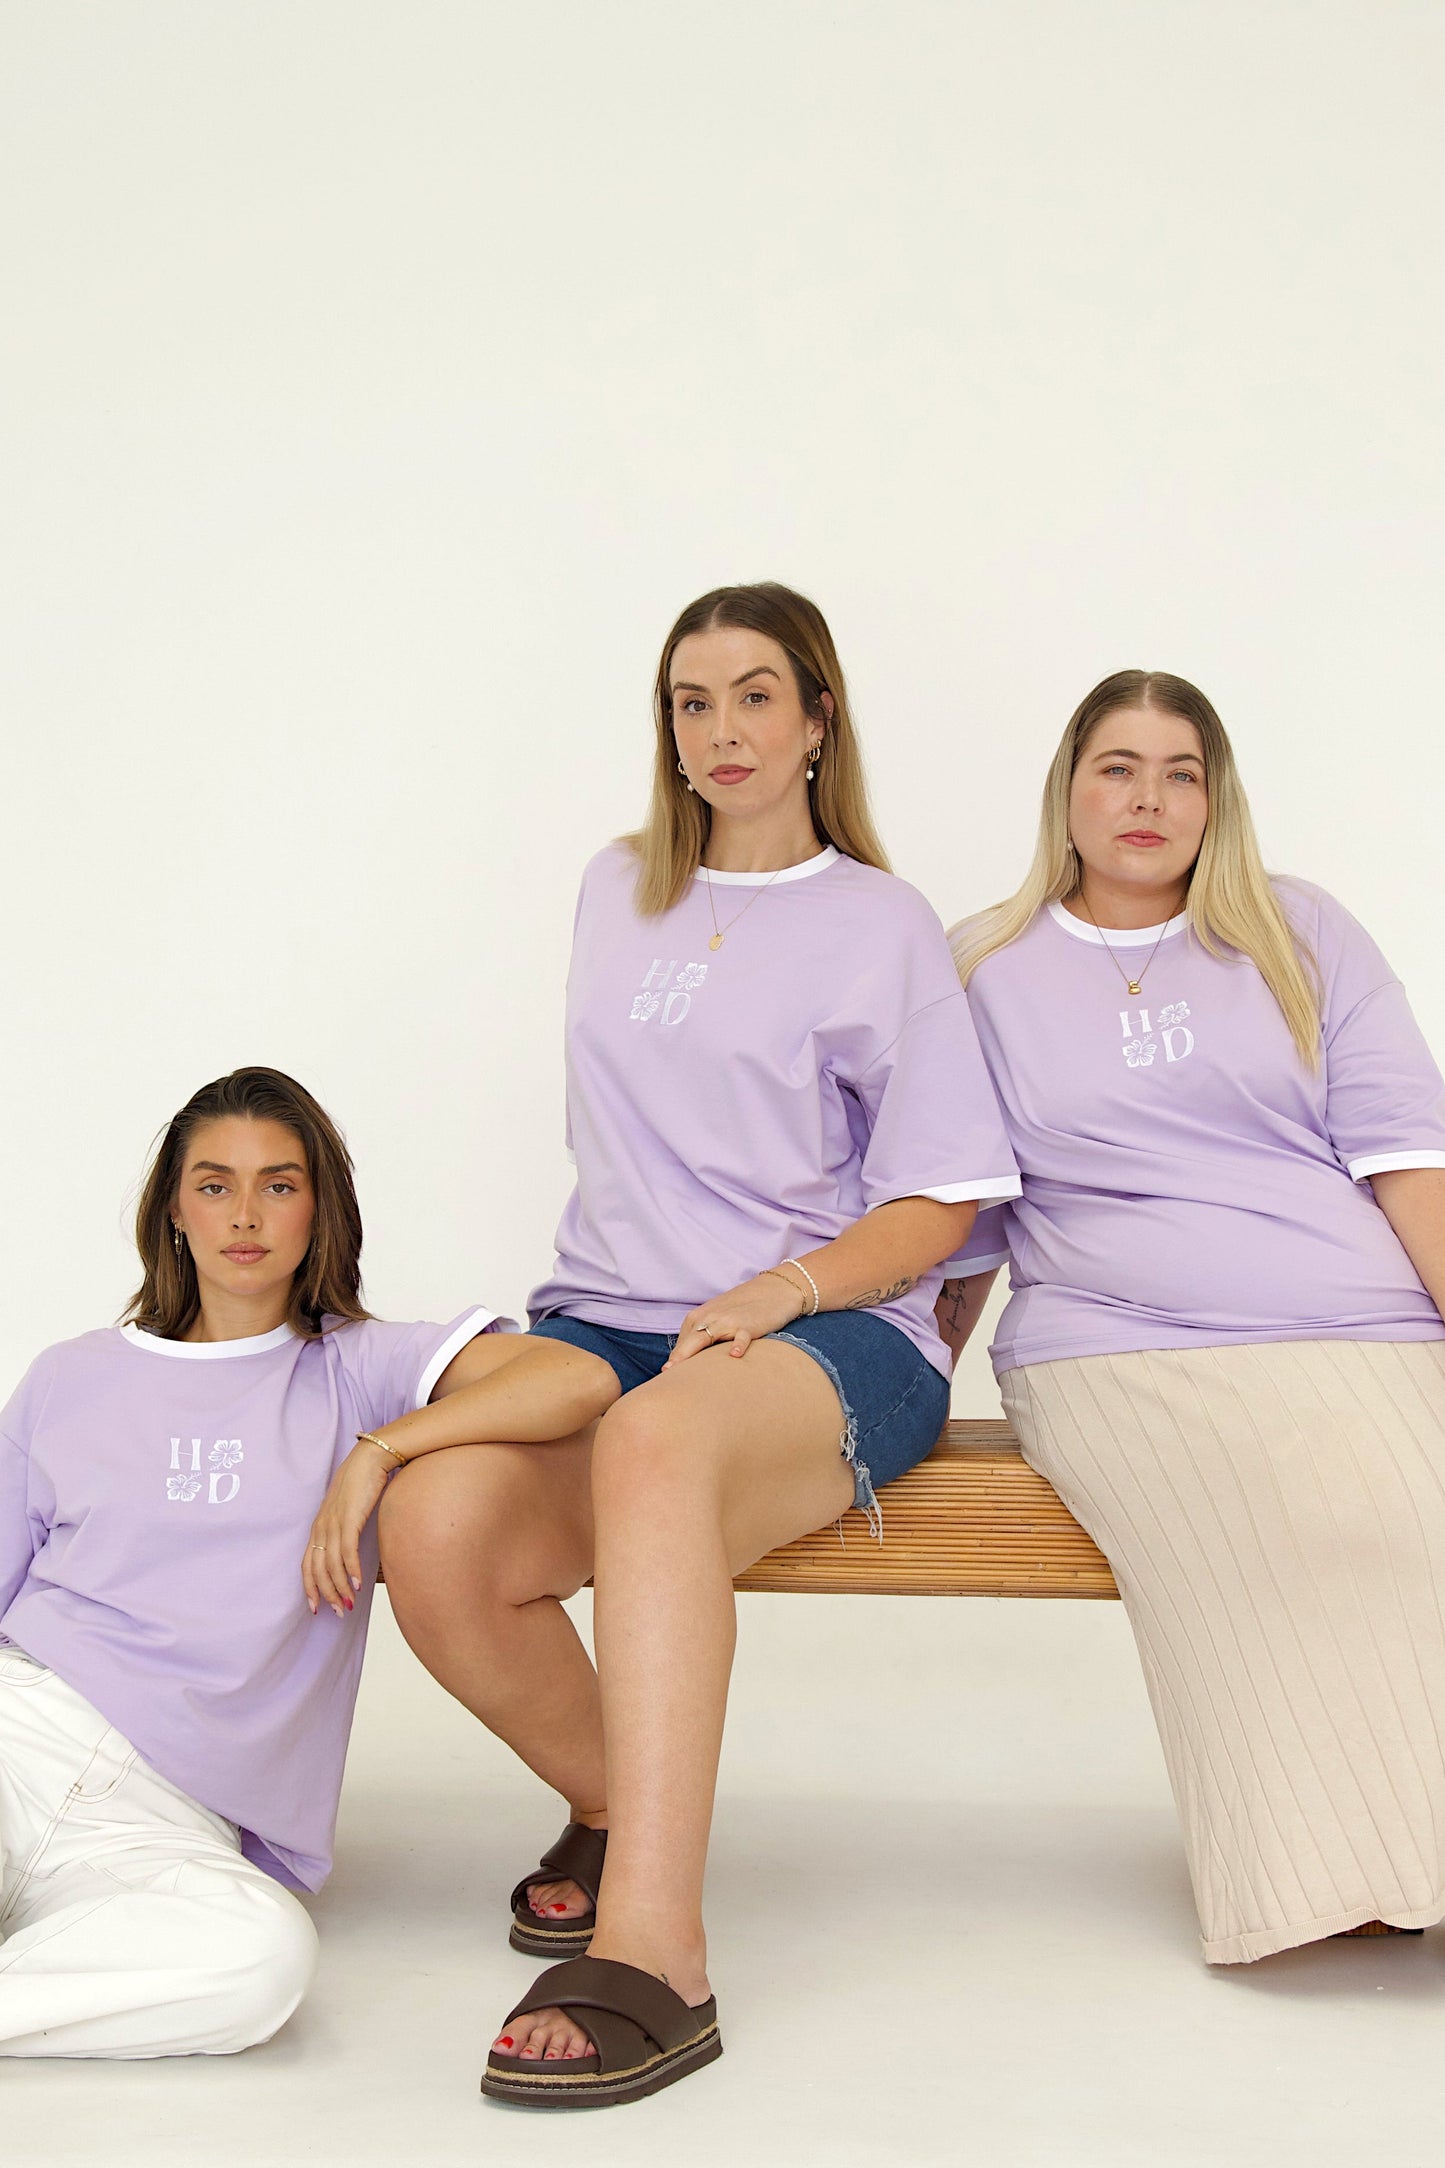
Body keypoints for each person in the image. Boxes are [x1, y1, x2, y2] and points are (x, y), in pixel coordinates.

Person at [368, 582, 1019, 2106]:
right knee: (438, 1524)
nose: (718, 731)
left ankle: (657, 1947)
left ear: (816, 719)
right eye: (688, 700)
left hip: (827, 1334)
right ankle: (615, 1806)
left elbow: (940, 1201)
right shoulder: (617, 887)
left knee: (656, 1444)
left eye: (752, 696)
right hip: (605, 1322)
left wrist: (780, 1291)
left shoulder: (879, 921)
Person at [938, 669, 1445, 1965]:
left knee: (1406, 1515)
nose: (1148, 799)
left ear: (1215, 798)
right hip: (1121, 1343)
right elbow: (959, 1211)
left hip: (1363, 1325)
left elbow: (1407, 1157)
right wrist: (902, 1383)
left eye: (1179, 772)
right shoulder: (982, 966)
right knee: (1316, 1518)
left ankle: (1403, 1860)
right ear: (1068, 791)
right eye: (1118, 767)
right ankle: (1323, 1872)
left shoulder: (1299, 929)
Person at [0, 1063, 566, 2057]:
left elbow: (574, 1375)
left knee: (259, 1959)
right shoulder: (71, 1376)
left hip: (166, 1825)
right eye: (214, 1183)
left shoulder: (362, 1369)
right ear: (174, 1210)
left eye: (280, 1182)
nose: (244, 1212)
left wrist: (378, 1450)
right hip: (24, 1730)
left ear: (319, 1208)